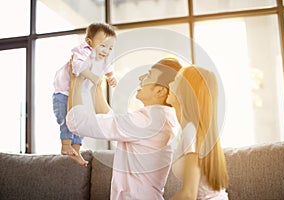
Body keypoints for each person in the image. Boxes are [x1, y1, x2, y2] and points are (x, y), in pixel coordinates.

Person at [66, 57, 182, 199]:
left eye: (149, 75)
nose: (141, 77)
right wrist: (96, 85)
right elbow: (113, 122)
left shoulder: (148, 120)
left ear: (160, 91)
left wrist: (75, 80)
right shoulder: (161, 118)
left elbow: (77, 122)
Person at [52, 22, 117, 166]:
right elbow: (77, 68)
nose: (106, 51)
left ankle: (76, 150)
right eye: (103, 45)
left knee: (80, 123)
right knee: (66, 120)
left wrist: (111, 77)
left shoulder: (103, 58)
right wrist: (94, 77)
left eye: (110, 48)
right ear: (89, 42)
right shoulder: (82, 52)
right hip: (63, 93)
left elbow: (109, 69)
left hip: (81, 95)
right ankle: (66, 146)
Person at [166, 66, 229, 200]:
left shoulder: (191, 131)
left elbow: (189, 194)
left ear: (185, 92)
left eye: (176, 81)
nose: (170, 84)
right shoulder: (192, 129)